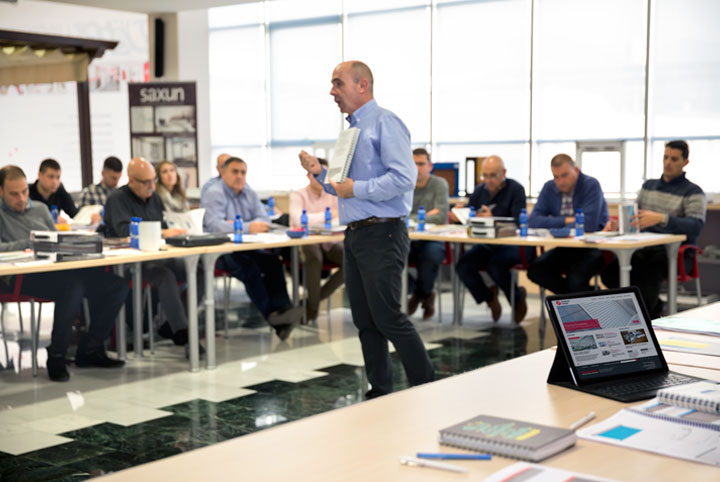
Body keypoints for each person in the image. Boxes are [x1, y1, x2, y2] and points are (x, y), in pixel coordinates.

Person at [299, 60, 434, 399]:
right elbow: (343, 186)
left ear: (362, 85)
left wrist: (355, 188)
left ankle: (430, 389)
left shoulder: (385, 123)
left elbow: (404, 179)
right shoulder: (350, 131)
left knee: (388, 317)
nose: (332, 91)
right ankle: (380, 391)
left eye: (337, 84)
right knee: (365, 321)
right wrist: (319, 174)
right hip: (356, 234)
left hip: (383, 233)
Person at [0, 165, 128, 382]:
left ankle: (91, 348)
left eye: (24, 191)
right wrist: (31, 243)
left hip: (58, 269)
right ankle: (56, 356)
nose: (21, 198)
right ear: (0, 191)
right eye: (14, 194)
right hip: (22, 278)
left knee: (117, 285)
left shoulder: (40, 209)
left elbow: (55, 241)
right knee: (72, 288)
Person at [103, 157, 197, 355]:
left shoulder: (154, 197)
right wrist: (163, 233)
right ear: (132, 180)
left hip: (157, 256)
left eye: (153, 180)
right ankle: (183, 331)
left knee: (197, 270)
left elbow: (163, 225)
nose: (152, 186)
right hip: (130, 263)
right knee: (165, 276)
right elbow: (123, 232)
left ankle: (174, 324)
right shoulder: (117, 199)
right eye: (146, 182)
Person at [601, 140, 706, 317]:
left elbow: (695, 227)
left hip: (675, 252)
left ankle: (646, 319)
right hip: (643, 247)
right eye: (665, 157)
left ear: (685, 162)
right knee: (610, 273)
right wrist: (620, 224)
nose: (668, 162)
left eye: (674, 159)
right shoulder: (648, 186)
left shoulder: (693, 192)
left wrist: (662, 218)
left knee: (648, 274)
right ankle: (653, 307)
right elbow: (634, 216)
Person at [202, 156, 302, 340]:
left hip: (247, 246)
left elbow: (264, 219)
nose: (240, 176)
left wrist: (236, 224)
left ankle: (283, 311)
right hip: (222, 250)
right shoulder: (214, 193)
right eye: (235, 172)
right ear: (222, 172)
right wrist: (248, 226)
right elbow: (216, 226)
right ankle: (274, 318)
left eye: (243, 172)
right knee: (250, 269)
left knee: (272, 262)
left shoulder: (248, 191)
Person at [454, 155, 529, 322]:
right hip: (487, 243)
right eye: (485, 175)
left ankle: (517, 299)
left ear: (503, 173)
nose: (488, 180)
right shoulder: (480, 190)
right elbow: (470, 212)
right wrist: (459, 213)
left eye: (493, 175)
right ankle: (489, 297)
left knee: (495, 265)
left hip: (511, 243)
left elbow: (519, 220)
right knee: (463, 266)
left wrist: (493, 218)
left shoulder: (516, 189)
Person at [527, 154, 609, 294]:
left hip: (592, 248)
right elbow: (533, 221)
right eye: (556, 177)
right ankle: (582, 296)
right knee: (536, 270)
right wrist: (567, 220)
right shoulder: (549, 187)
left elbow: (588, 225)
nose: (560, 181)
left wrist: (555, 228)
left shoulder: (591, 185)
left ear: (576, 170)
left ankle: (577, 299)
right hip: (566, 247)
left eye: (565, 175)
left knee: (575, 280)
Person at [289, 157, 344, 322]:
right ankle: (313, 307)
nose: (320, 179)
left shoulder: (333, 194)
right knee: (314, 257)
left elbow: (342, 217)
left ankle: (313, 301)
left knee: (352, 259)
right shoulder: (298, 195)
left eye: (324, 175)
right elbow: (298, 221)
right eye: (316, 175)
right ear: (308, 176)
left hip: (330, 242)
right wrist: (327, 217)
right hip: (306, 243)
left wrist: (317, 219)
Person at [407, 147, 448, 320]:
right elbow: (400, 214)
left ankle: (418, 295)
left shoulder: (439, 184)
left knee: (430, 255)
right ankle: (424, 292)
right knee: (391, 255)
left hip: (433, 239)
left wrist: (413, 218)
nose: (417, 168)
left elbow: (441, 216)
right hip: (409, 239)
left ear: (430, 166)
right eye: (413, 164)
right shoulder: (404, 185)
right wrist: (425, 215)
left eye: (421, 164)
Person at [28, 158, 78, 223]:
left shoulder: (60, 190)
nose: (55, 182)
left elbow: (75, 214)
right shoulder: (26, 192)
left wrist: (89, 216)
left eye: (58, 177)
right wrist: (52, 219)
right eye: (51, 177)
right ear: (39, 175)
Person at [79, 156, 123, 224]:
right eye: (113, 178)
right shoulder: (89, 193)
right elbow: (81, 220)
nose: (116, 182)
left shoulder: (120, 195)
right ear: (103, 173)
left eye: (118, 178)